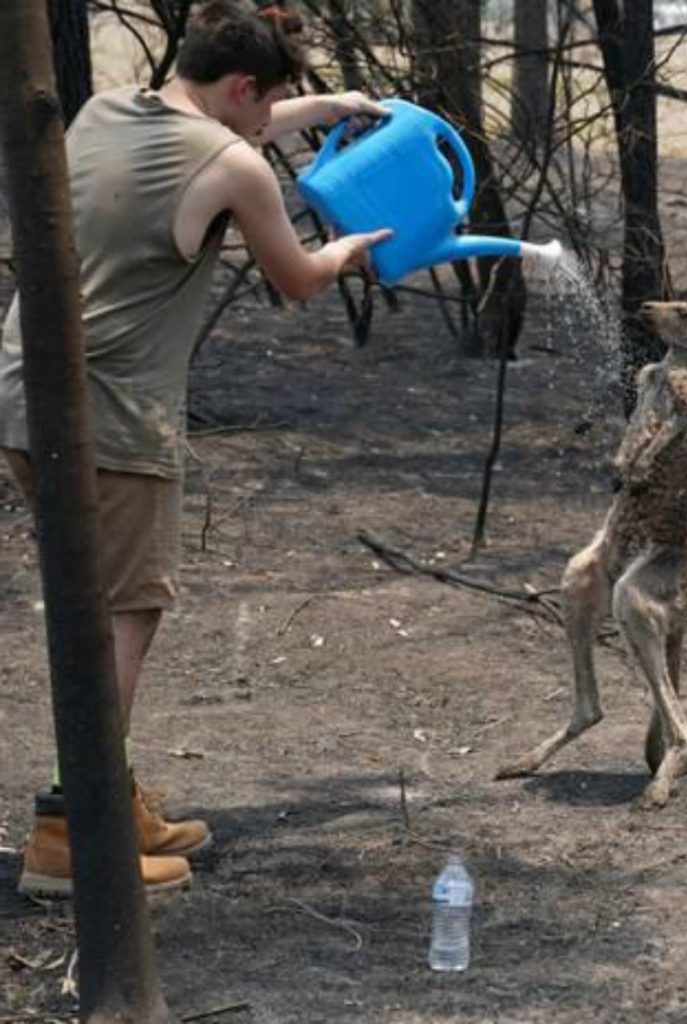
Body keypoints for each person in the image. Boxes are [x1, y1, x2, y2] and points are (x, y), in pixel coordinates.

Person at [0, 0, 391, 897]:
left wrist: (327, 106)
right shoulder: (237, 165)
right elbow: (295, 279)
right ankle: (71, 831)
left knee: (96, 600)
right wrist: (351, 254)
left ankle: (108, 792)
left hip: (25, 389)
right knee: (125, 610)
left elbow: (224, 126)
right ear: (244, 86)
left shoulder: (109, 109)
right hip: (112, 418)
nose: (271, 127)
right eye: (272, 106)